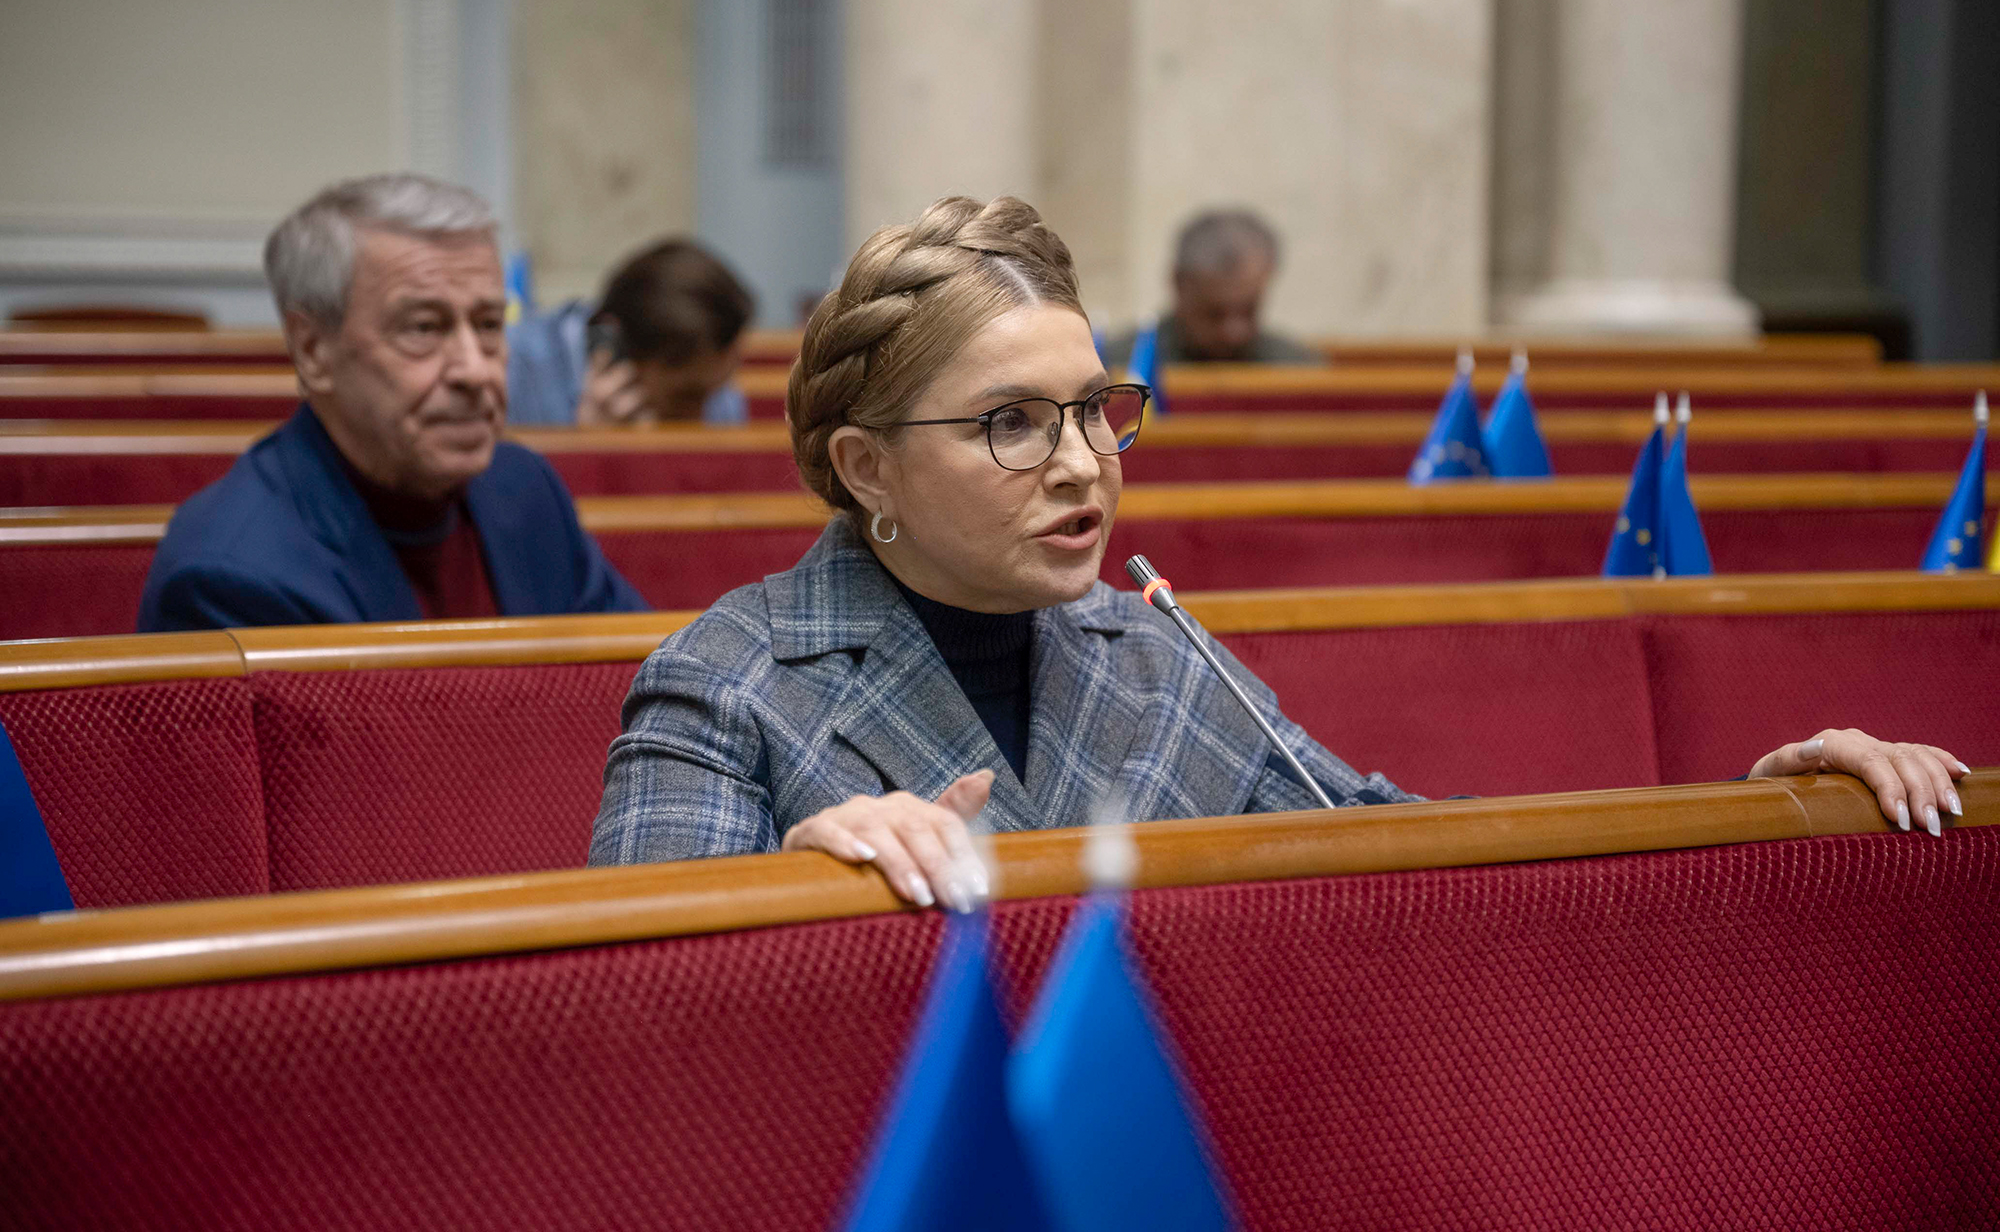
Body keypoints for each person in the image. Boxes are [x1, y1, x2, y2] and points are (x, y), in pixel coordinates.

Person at [589, 195, 1970, 912]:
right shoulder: (727, 685)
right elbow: (634, 1034)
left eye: (1097, 408)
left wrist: (1752, 814)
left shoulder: (1156, 653)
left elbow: (1435, 863)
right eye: (1011, 423)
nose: (1082, 462)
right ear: (865, 466)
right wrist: (788, 883)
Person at [138, 174, 648, 630]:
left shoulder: (525, 487)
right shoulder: (232, 576)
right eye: (423, 328)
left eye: (489, 325)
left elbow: (642, 681)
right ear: (313, 351)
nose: (475, 370)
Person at [506, 239, 754, 425]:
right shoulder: (515, 372)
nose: (703, 419)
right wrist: (587, 453)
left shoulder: (716, 394)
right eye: (685, 399)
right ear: (617, 351)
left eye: (721, 386)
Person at [1100, 207, 1316, 368]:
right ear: (1178, 283)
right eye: (1214, 314)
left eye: (1248, 311)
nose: (1234, 333)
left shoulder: (1298, 370)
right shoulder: (1122, 368)